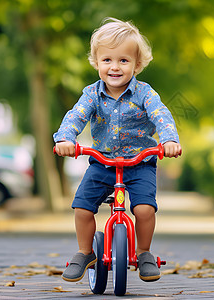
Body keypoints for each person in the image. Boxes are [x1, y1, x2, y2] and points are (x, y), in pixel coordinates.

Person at [53, 17, 182, 283]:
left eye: (123, 60)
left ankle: (144, 252)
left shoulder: (145, 94)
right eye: (107, 60)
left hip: (139, 164)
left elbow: (162, 116)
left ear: (137, 64)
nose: (115, 67)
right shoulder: (91, 94)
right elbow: (75, 117)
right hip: (102, 164)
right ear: (96, 62)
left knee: (145, 209)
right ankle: (85, 252)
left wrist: (169, 140)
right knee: (82, 208)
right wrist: (65, 139)